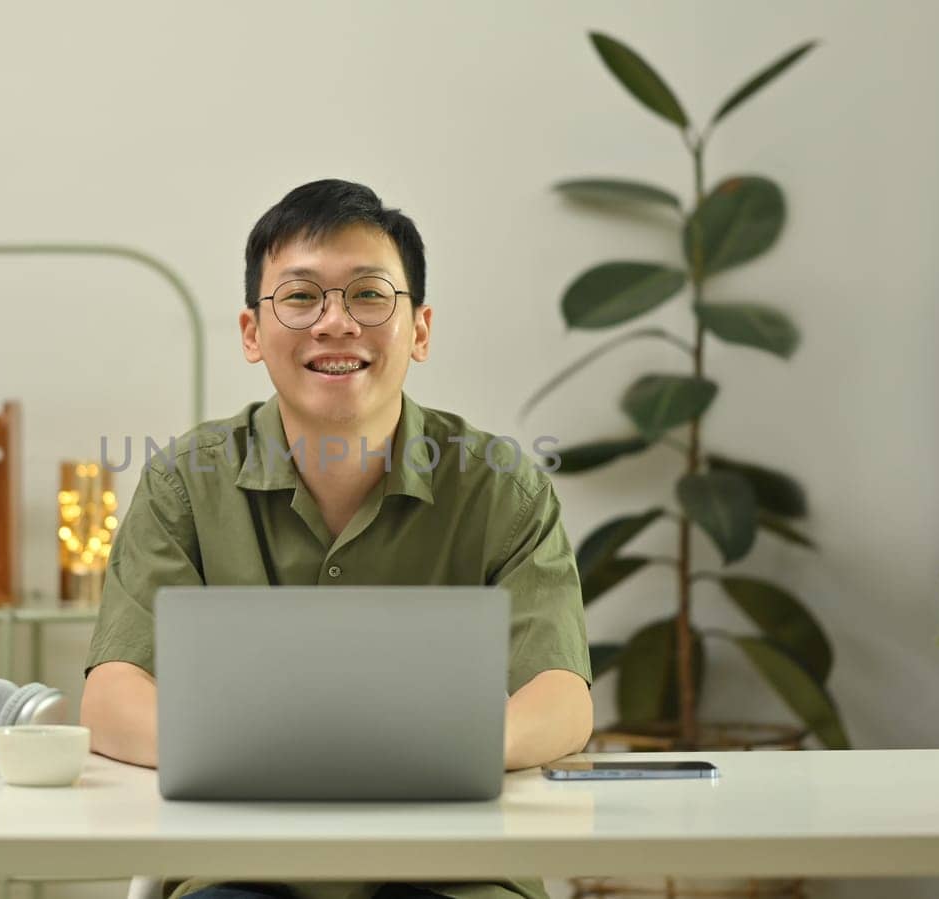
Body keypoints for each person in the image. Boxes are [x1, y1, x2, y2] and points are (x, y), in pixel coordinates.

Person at [81, 178, 594, 899]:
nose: (334, 323)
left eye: (368, 294)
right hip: (243, 866)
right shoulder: (184, 485)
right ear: (252, 333)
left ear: (419, 328)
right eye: (299, 296)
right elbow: (113, 695)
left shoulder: (502, 486)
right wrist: (281, 760)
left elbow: (563, 696)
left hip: (454, 868)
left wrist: (436, 754)